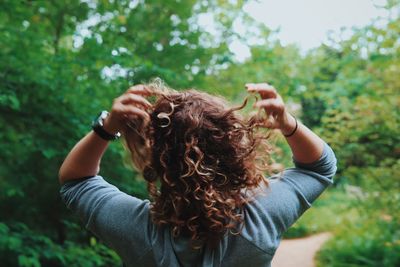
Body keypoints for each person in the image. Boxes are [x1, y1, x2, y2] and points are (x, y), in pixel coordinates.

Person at [59, 82, 337, 267]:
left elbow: (76, 181)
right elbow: (319, 167)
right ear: (234, 151)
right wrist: (287, 122)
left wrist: (107, 128)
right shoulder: (260, 217)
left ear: (157, 160)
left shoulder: (138, 232)